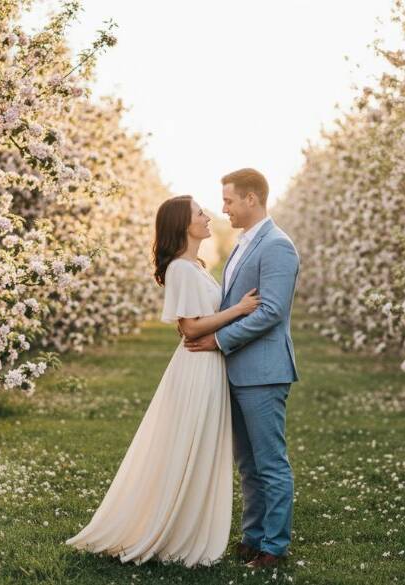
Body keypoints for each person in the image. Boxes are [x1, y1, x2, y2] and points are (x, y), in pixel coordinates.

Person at [64, 194, 260, 567]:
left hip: (208, 364)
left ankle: (187, 524)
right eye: (199, 213)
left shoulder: (195, 266)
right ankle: (172, 529)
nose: (207, 216)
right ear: (182, 224)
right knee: (188, 445)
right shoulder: (181, 269)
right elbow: (190, 328)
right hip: (197, 366)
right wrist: (238, 310)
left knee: (199, 446)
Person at [184, 168, 300, 569]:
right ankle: (253, 538)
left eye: (229, 200)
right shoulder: (242, 243)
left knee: (270, 462)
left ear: (252, 199)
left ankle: (274, 547)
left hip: (264, 372)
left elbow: (271, 311)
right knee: (248, 464)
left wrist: (217, 340)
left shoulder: (278, 246)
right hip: (237, 371)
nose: (224, 209)